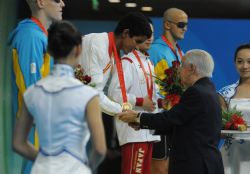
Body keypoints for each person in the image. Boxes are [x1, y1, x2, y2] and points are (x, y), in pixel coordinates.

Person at [12, 21, 107, 174]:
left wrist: (45, 160)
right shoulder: (89, 96)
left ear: (49, 50)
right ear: (78, 50)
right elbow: (100, 149)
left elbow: (18, 144)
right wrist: (84, 168)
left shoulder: (32, 92)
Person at [118, 49, 225, 174]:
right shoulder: (208, 90)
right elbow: (181, 124)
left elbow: (170, 118)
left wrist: (138, 117)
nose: (179, 71)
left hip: (195, 165)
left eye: (181, 67)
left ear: (191, 68)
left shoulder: (196, 92)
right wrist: (142, 124)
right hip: (205, 163)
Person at [79, 12, 152, 174]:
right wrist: (123, 112)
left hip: (81, 114)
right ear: (126, 33)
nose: (137, 47)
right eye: (137, 41)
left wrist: (125, 113)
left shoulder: (112, 54)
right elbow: (93, 95)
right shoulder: (97, 45)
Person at [8, 1, 65, 173]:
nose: (62, 3)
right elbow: (32, 88)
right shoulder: (30, 36)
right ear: (40, 2)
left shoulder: (39, 34)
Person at [108, 19, 161, 174]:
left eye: (152, 33)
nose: (150, 37)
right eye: (147, 33)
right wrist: (139, 101)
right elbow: (114, 93)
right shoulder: (127, 62)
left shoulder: (149, 63)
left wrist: (165, 101)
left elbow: (152, 96)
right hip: (133, 133)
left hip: (149, 131)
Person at [148, 7, 188, 174]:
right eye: (181, 24)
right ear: (167, 25)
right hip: (161, 117)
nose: (185, 28)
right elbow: (152, 86)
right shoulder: (156, 50)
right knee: (160, 168)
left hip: (175, 118)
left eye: (186, 25)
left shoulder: (179, 51)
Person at [218, 43, 250, 174]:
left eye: (249, 61)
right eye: (240, 61)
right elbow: (218, 127)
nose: (245, 66)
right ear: (234, 63)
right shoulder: (225, 93)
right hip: (232, 156)